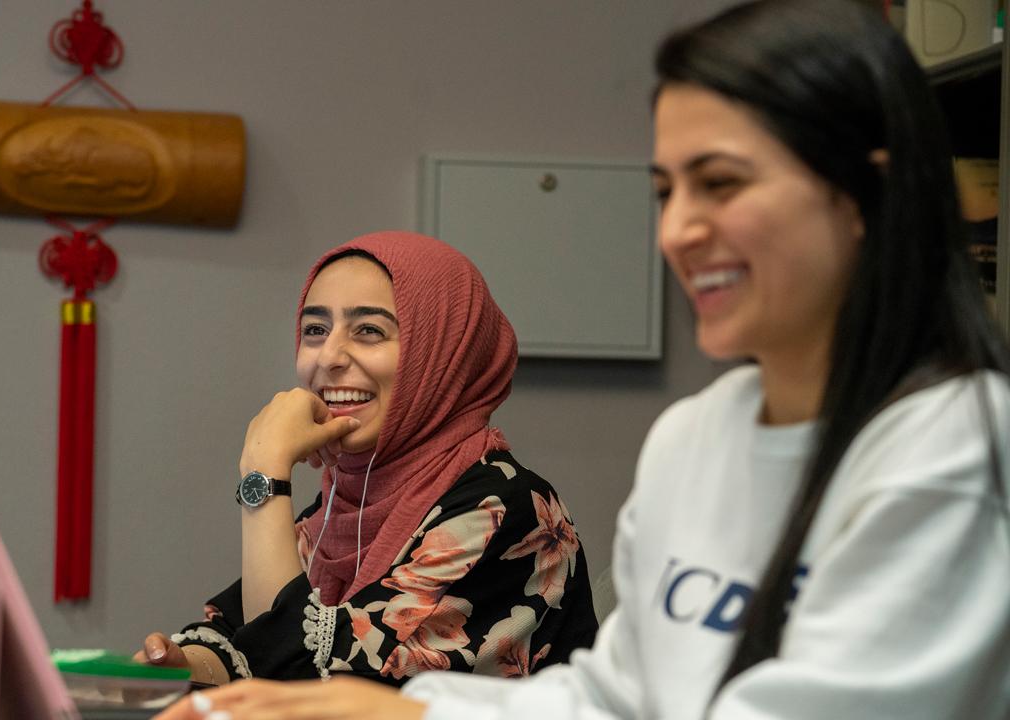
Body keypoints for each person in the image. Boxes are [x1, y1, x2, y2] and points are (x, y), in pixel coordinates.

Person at [158, 1, 1010, 718]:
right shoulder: (694, 436)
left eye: (722, 183)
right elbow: (616, 695)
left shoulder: (960, 448)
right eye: (666, 192)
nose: (678, 231)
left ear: (866, 194)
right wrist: (404, 709)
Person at [136, 231, 598, 688]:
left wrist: (264, 473)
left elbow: (307, 681)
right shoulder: (339, 504)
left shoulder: (507, 507)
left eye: (369, 331)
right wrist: (185, 664)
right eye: (315, 330)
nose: (329, 357)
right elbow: (243, 634)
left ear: (440, 354)